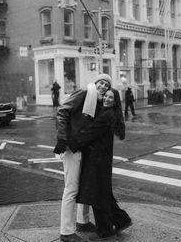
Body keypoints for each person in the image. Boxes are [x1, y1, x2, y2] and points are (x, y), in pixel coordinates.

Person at [53, 74, 112, 242]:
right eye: (101, 83)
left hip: (84, 147)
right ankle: (66, 232)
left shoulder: (98, 100)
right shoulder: (85, 92)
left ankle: (83, 221)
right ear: (95, 82)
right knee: (71, 188)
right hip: (72, 146)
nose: (103, 87)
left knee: (84, 184)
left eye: (106, 85)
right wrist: (62, 139)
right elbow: (62, 111)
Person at [70, 89, 132, 240]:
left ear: (115, 101)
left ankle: (105, 230)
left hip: (98, 161)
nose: (107, 98)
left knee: (97, 195)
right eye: (106, 96)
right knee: (101, 193)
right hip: (99, 159)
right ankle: (121, 220)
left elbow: (90, 132)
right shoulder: (106, 112)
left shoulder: (107, 115)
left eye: (111, 97)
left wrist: (70, 144)